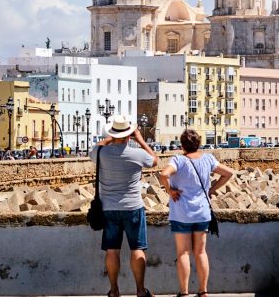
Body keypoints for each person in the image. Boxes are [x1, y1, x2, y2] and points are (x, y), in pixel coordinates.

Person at [157, 129, 234, 297]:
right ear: (198, 143)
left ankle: (184, 292)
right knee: (200, 252)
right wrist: (212, 189)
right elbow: (228, 173)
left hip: (181, 213)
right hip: (202, 212)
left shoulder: (178, 159)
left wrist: (170, 191)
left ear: (182, 144)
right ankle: (203, 291)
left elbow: (163, 174)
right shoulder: (207, 159)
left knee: (183, 252)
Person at [90, 114, 159, 297]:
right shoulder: (137, 154)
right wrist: (141, 140)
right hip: (133, 207)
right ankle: (140, 290)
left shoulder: (101, 153)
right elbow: (155, 160)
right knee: (137, 248)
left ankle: (114, 290)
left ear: (113, 133)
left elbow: (95, 149)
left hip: (109, 208)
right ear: (129, 134)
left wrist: (111, 138)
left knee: (112, 250)